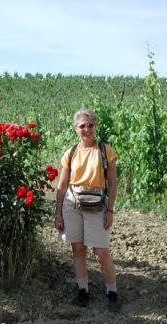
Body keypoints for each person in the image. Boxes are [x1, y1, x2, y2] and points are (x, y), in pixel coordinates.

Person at [54, 108, 120, 312]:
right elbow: (62, 185)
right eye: (82, 125)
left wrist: (110, 210)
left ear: (95, 127)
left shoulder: (104, 150)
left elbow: (112, 181)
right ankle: (83, 290)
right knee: (78, 249)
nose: (87, 129)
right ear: (76, 129)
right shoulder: (70, 153)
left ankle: (112, 291)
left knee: (101, 252)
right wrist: (58, 212)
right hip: (72, 203)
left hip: (96, 203)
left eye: (90, 125)